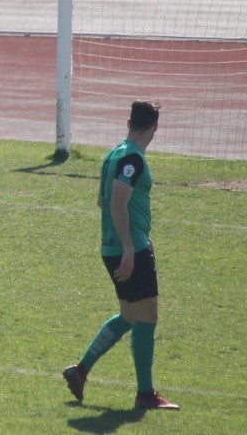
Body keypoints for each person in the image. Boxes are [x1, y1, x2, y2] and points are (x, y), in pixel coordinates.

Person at [62, 100, 180, 411]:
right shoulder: (133, 158)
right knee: (148, 316)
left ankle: (81, 370)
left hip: (110, 246)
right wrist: (130, 245)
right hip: (132, 248)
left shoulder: (113, 154)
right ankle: (145, 395)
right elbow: (115, 204)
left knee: (130, 315)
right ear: (156, 126)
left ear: (128, 122)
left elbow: (101, 201)